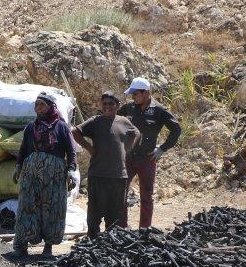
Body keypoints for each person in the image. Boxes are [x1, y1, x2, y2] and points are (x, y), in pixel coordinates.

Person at [10, 92, 77, 259]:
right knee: (27, 206)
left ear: (51, 107)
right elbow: (24, 149)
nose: (39, 108)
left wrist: (71, 170)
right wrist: (18, 167)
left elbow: (71, 151)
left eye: (42, 105)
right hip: (31, 172)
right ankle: (22, 245)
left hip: (54, 173)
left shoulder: (61, 127)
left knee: (52, 208)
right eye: (37, 105)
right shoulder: (31, 127)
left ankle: (48, 247)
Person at [72, 92, 140, 237]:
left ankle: (109, 248)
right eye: (105, 104)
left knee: (115, 216)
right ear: (101, 105)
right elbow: (75, 131)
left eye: (111, 104)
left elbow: (136, 133)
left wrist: (127, 149)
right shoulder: (95, 121)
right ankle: (92, 245)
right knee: (94, 215)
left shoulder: (123, 122)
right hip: (98, 175)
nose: (108, 107)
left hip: (118, 176)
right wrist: (89, 148)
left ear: (117, 106)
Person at [118, 77, 181, 229]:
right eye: (132, 95)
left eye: (135, 94)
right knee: (120, 193)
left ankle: (144, 229)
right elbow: (115, 121)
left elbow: (176, 129)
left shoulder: (158, 110)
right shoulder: (129, 108)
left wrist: (162, 148)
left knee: (146, 196)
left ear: (146, 93)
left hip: (147, 158)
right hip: (128, 157)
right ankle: (121, 227)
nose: (133, 97)